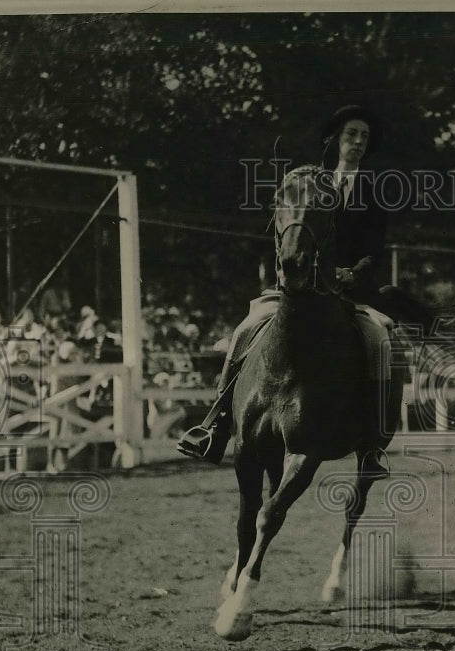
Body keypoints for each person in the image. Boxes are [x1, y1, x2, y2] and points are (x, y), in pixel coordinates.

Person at [178, 105, 419, 474]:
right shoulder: (309, 183)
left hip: (350, 294)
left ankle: (373, 443)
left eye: (364, 137)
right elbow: (288, 230)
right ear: (336, 139)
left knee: (380, 340)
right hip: (295, 287)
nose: (357, 142)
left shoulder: (372, 193)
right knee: (244, 330)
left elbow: (373, 251)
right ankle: (217, 424)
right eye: (351, 134)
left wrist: (352, 275)